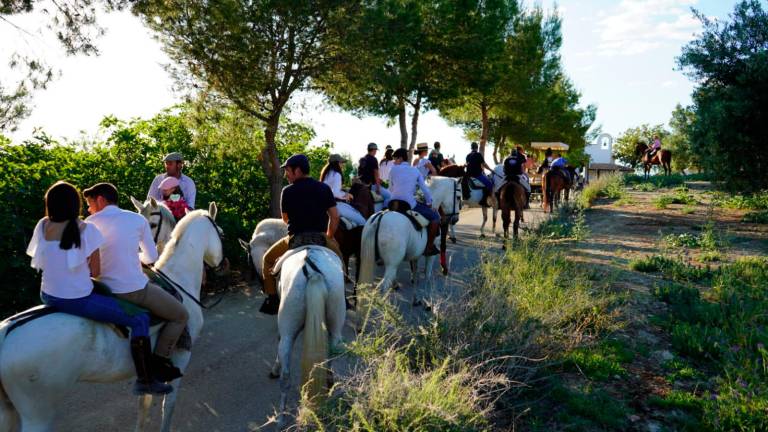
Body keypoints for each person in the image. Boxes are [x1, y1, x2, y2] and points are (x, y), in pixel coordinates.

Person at [26, 181, 171, 395]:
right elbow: (95, 272)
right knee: (139, 318)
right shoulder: (87, 229)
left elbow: (39, 259)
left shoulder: (42, 225)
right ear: (73, 204)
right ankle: (145, 379)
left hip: (47, 294)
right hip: (76, 299)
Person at [84, 182, 189, 387]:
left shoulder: (88, 223)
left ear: (101, 200)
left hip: (103, 291)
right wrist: (133, 255)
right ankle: (160, 360)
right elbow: (151, 257)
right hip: (134, 291)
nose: (89, 209)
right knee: (181, 315)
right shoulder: (136, 219)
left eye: (89, 203)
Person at [260, 154, 345, 315]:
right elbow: (335, 217)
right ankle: (343, 297)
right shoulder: (324, 188)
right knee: (340, 260)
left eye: (288, 171)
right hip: (320, 238)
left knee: (267, 260)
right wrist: (328, 235)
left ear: (297, 170)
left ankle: (272, 299)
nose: (286, 175)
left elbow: (285, 219)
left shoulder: (287, 191)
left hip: (294, 239)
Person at [389, 148, 440, 256]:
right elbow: (425, 189)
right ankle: (429, 247)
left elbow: (391, 189)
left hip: (393, 203)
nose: (394, 161)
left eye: (395, 158)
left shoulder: (393, 169)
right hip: (409, 204)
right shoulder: (415, 171)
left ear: (401, 158)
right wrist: (429, 202)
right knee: (435, 217)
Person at [321, 154, 367, 227]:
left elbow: (331, 189)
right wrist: (347, 195)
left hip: (323, 204)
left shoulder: (326, 174)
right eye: (341, 162)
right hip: (334, 205)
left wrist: (343, 190)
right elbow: (335, 193)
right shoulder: (337, 174)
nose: (342, 164)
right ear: (336, 163)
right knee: (362, 221)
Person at [465, 142, 493, 206]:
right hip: (477, 175)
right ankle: (484, 200)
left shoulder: (468, 155)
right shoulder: (478, 154)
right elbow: (484, 164)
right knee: (490, 185)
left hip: (468, 175)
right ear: (477, 148)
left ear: (471, 148)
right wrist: (491, 170)